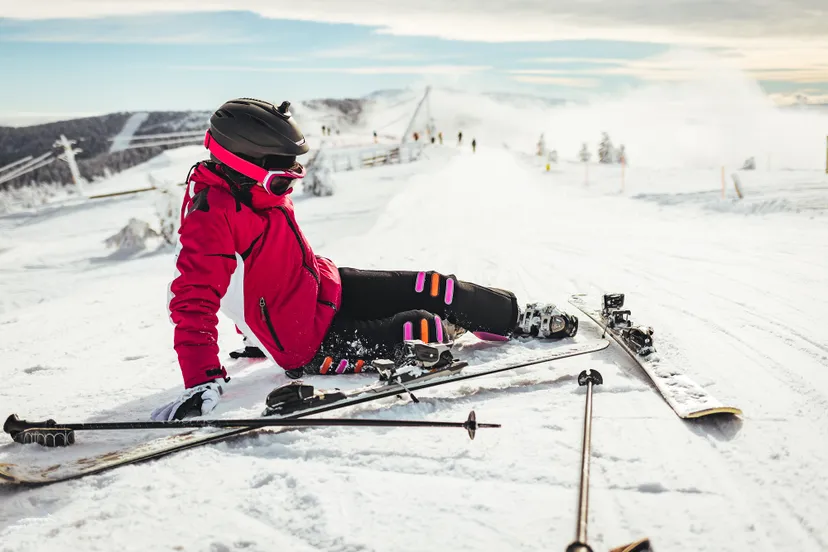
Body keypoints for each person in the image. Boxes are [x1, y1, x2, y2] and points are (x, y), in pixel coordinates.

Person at [152, 98, 579, 421]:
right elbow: (195, 299)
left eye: (296, 172)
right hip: (305, 342)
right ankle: (450, 328)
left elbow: (250, 274)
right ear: (238, 162)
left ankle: (515, 317)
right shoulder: (210, 217)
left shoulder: (252, 187)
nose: (291, 184)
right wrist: (203, 376)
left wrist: (250, 333)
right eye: (282, 177)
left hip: (321, 288)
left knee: (433, 285)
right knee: (420, 325)